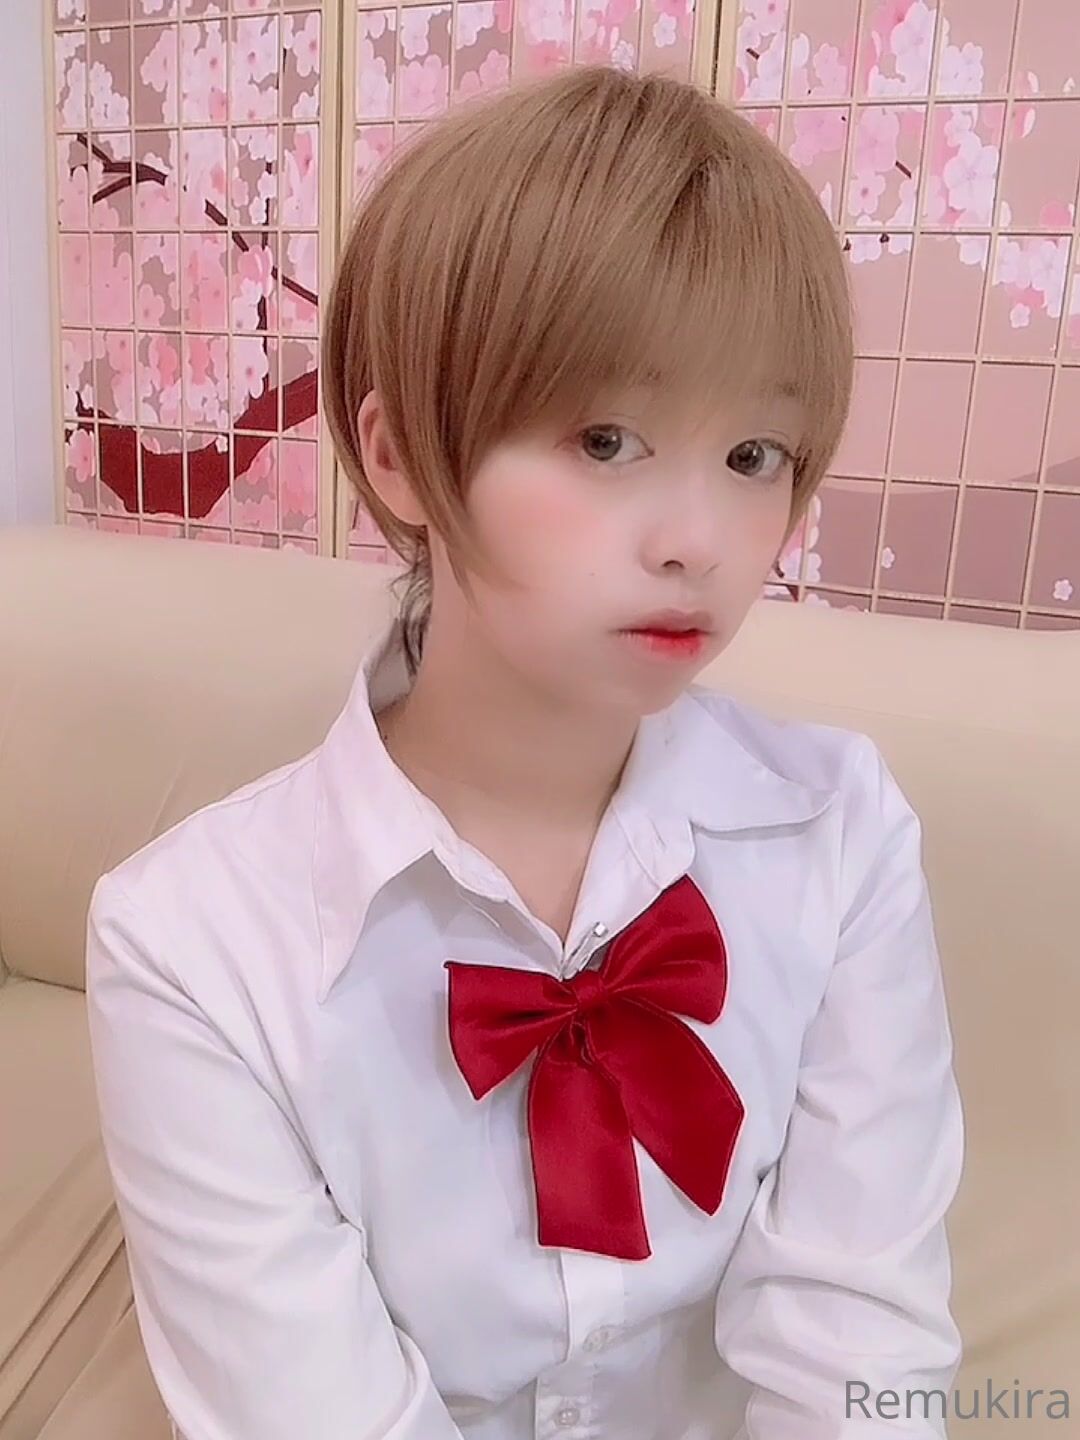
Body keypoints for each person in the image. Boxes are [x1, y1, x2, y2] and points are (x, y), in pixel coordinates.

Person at [85, 63, 964, 1440]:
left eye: (755, 455)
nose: (698, 541)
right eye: (606, 439)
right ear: (397, 455)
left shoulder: (838, 833)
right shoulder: (191, 944)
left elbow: (865, 1351)